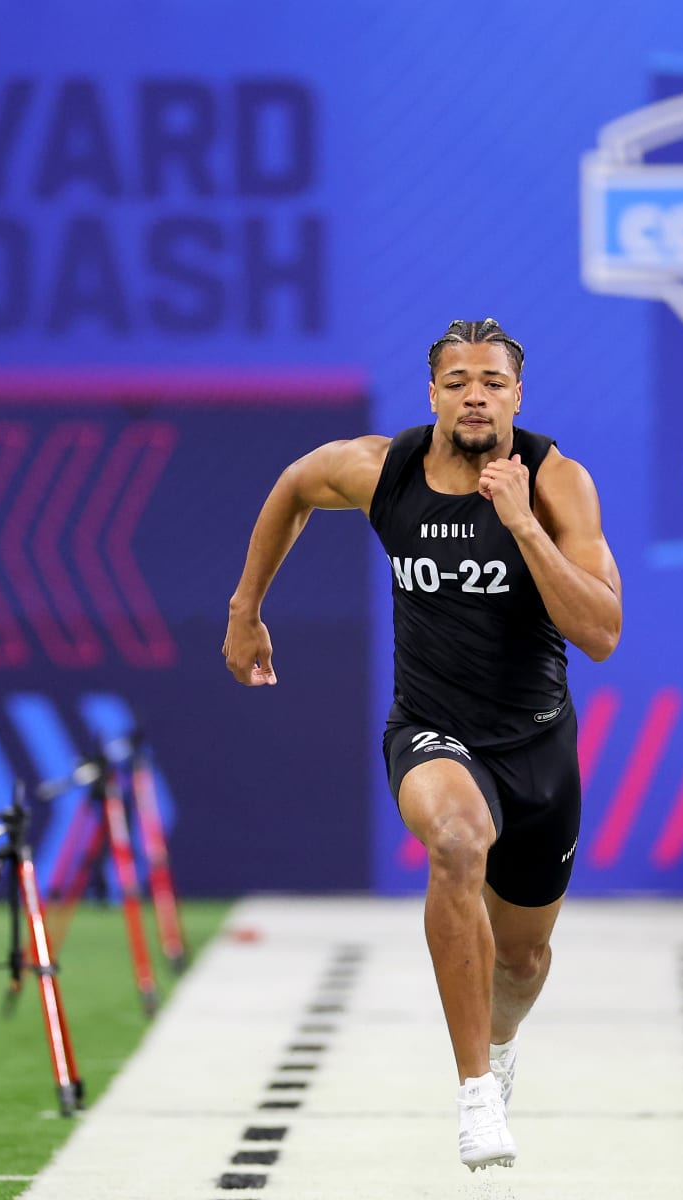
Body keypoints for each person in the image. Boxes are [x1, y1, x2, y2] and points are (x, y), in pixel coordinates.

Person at [222, 319, 622, 1171]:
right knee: (454, 840)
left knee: (524, 958)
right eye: (457, 381)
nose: (475, 394)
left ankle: (500, 1046)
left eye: (492, 382)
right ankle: (475, 1091)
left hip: (538, 747)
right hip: (433, 731)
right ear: (432, 394)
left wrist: (523, 527)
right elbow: (294, 486)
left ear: (519, 397)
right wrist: (245, 610)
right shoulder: (384, 469)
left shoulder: (557, 484)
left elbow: (602, 634)